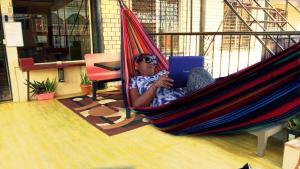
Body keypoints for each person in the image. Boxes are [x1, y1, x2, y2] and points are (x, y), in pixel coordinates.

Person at [130, 53, 214, 107]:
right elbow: (136, 104)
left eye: (154, 61)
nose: (152, 63)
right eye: (148, 59)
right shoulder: (135, 80)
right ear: (137, 65)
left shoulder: (163, 72)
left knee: (198, 70)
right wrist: (155, 85)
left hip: (188, 98)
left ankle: (217, 100)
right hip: (170, 108)